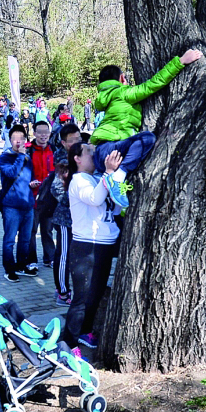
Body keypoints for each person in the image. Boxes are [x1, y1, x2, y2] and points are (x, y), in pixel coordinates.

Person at [91, 49, 203, 208]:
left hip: (101, 153)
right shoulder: (123, 92)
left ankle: (118, 193)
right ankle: (117, 178)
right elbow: (152, 85)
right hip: (114, 149)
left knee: (117, 207)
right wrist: (181, 61)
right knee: (147, 139)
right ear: (122, 78)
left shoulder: (105, 98)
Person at [62, 142, 122, 357]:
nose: (95, 155)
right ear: (77, 158)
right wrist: (109, 172)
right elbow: (95, 198)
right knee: (82, 297)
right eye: (89, 152)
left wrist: (116, 177)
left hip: (105, 243)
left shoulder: (97, 178)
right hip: (86, 245)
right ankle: (67, 343)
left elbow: (117, 205)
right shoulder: (78, 180)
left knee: (95, 294)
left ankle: (85, 332)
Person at [0, 125, 36, 282]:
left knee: (25, 239)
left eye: (21, 138)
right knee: (9, 240)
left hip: (27, 204)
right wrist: (21, 156)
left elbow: (28, 177)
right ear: (10, 140)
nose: (18, 141)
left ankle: (21, 265)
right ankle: (9, 269)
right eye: (15, 138)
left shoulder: (28, 158)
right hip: (11, 206)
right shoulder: (4, 157)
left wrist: (32, 183)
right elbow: (11, 173)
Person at [25, 121, 56, 270]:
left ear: (49, 134)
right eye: (40, 131)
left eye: (46, 132)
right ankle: (31, 260)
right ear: (34, 133)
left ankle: (49, 258)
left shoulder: (55, 150)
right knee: (31, 230)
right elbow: (22, 173)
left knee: (47, 230)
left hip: (50, 199)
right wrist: (29, 182)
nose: (43, 135)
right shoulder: (28, 152)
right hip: (33, 198)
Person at [51, 160, 73, 306]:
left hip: (78, 223)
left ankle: (64, 290)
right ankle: (62, 292)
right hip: (65, 221)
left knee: (69, 256)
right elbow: (59, 194)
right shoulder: (64, 167)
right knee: (63, 256)